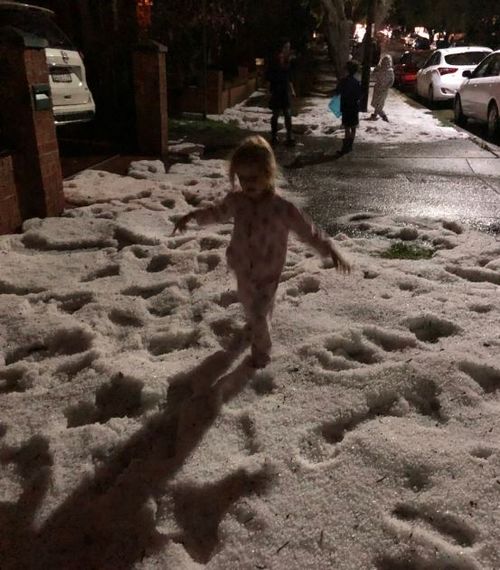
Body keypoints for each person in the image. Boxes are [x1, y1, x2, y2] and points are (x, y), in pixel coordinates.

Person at [173, 136, 351, 368]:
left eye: (253, 178)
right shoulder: (237, 200)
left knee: (258, 313)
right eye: (242, 178)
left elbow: (308, 231)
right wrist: (193, 216)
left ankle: (261, 352)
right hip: (242, 268)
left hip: (269, 272)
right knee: (251, 308)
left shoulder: (282, 208)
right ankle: (258, 323)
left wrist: (330, 250)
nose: (248, 184)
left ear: (268, 173)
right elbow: (217, 213)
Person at [266, 39, 296, 147]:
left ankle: (289, 135)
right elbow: (269, 75)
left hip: (285, 90)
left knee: (288, 114)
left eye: (289, 47)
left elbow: (289, 76)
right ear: (282, 48)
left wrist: (292, 89)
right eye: (287, 47)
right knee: (276, 114)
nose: (288, 49)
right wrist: (270, 88)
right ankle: (274, 135)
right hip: (277, 89)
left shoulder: (288, 60)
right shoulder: (275, 60)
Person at [334, 60, 362, 155]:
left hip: (345, 106)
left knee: (347, 126)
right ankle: (350, 145)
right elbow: (359, 95)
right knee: (353, 126)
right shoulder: (356, 82)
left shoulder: (343, 81)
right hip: (354, 106)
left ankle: (346, 146)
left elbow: (337, 91)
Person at [369, 54, 394, 122]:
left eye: (387, 61)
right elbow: (373, 76)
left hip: (383, 89)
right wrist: (375, 70)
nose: (385, 62)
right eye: (384, 61)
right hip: (377, 88)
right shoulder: (379, 69)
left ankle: (383, 115)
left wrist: (387, 87)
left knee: (379, 103)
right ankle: (376, 114)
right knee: (375, 103)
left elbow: (392, 81)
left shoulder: (390, 71)